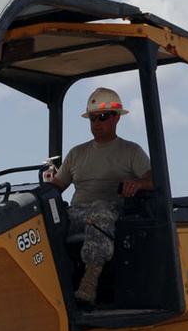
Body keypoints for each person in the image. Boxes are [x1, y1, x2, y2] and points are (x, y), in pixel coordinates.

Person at [43, 87, 153, 306]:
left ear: (116, 117)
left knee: (100, 209)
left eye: (102, 117)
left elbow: (153, 180)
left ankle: (89, 283)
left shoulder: (131, 151)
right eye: (93, 118)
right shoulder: (77, 153)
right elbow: (55, 188)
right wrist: (35, 198)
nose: (96, 123)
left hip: (112, 213)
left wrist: (138, 183)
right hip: (78, 213)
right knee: (46, 218)